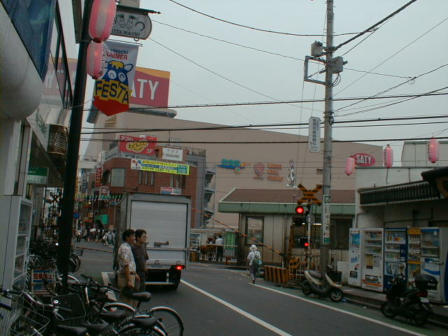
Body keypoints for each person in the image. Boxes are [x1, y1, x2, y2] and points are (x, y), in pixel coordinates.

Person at [117, 229, 139, 306]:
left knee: (131, 300)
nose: (134, 238)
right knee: (127, 301)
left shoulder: (128, 247)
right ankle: (127, 317)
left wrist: (135, 274)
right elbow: (126, 265)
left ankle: (130, 315)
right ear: (127, 237)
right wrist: (129, 280)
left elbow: (130, 264)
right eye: (133, 236)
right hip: (125, 277)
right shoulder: (125, 248)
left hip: (129, 275)